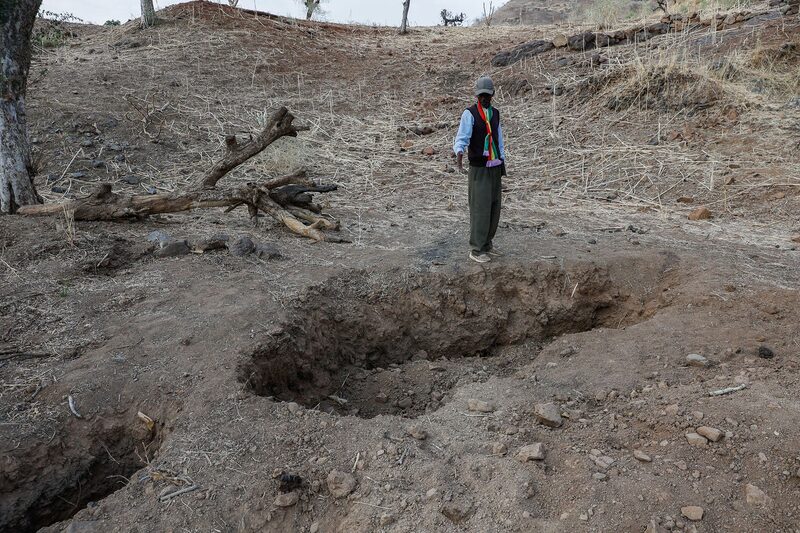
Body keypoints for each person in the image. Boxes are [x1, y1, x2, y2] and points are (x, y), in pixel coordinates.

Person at [453, 76, 507, 263]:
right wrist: (459, 153)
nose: (484, 98)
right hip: (479, 168)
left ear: (492, 95)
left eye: (487, 95)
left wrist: (502, 160)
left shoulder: (495, 114)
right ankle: (476, 249)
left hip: (494, 166)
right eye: (481, 95)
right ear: (477, 95)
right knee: (480, 208)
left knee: (494, 207)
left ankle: (487, 245)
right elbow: (462, 137)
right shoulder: (470, 114)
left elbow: (499, 139)